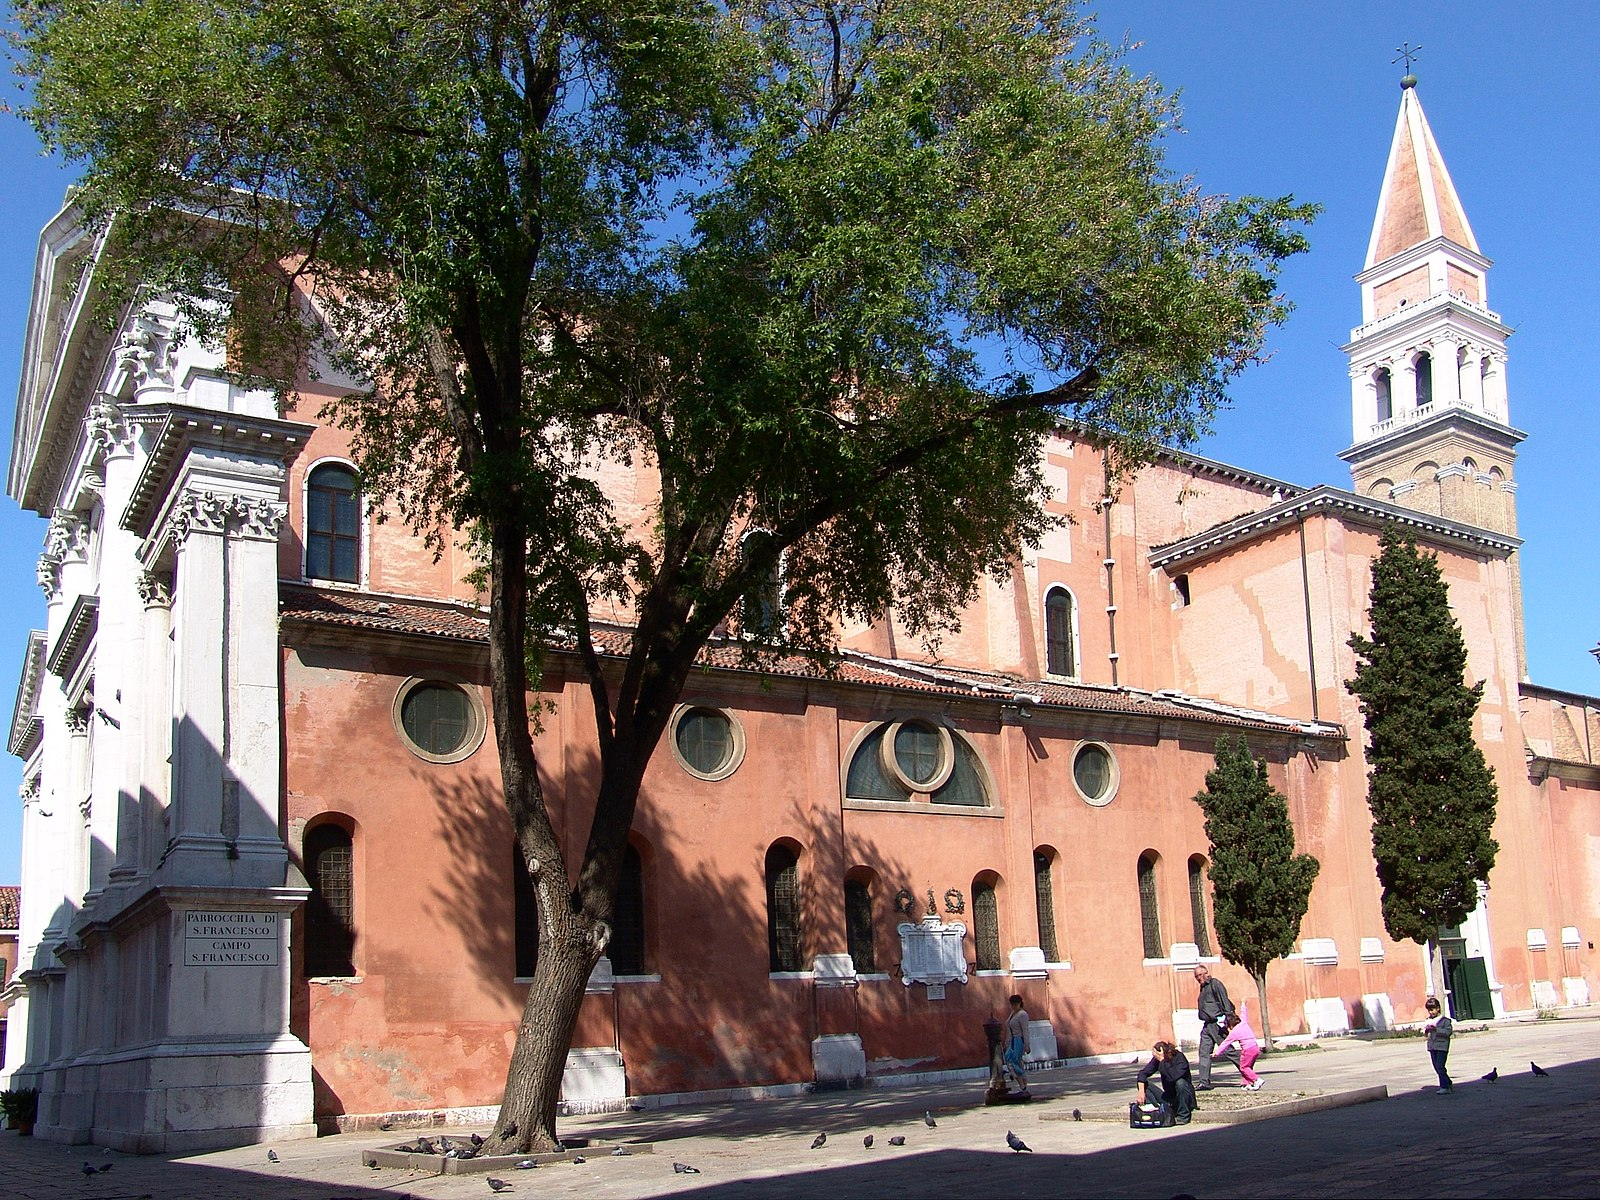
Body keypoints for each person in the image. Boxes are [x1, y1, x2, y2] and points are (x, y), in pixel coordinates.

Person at [1193, 965, 1240, 1089]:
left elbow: (1225, 1002)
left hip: (1217, 1024)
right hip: (1207, 1025)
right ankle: (1204, 1082)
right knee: (1203, 1052)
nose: (1198, 978)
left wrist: (1228, 1020)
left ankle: (1249, 1074)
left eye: (1200, 975)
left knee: (1228, 1050)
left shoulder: (1215, 984)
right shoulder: (1203, 988)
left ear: (1206, 973)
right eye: (1196, 976)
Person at [1135, 1041, 1196, 1124]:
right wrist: (1141, 1092)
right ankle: (1155, 1110)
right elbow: (1142, 1074)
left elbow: (1174, 1077)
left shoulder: (1179, 1058)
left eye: (1155, 1053)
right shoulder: (1158, 1059)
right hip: (1169, 1097)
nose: (1153, 1055)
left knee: (1180, 1083)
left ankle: (1183, 1116)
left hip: (1184, 1097)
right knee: (1144, 1084)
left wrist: (1163, 1061)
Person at [1213, 1002, 1263, 1090]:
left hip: (1247, 1050)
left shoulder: (1235, 1032)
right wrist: (1243, 1004)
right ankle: (1246, 1084)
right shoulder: (1243, 1022)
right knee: (1248, 1066)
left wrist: (1216, 1053)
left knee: (1243, 1067)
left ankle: (1257, 1080)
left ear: (1230, 1024)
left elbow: (1225, 1043)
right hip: (1255, 1048)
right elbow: (1244, 1013)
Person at [1002, 994, 1031, 1096]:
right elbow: (1009, 1029)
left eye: (1016, 1004)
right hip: (1012, 1041)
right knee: (1013, 1062)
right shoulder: (1013, 1013)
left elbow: (1025, 1030)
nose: (1014, 1006)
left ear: (1020, 1003)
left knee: (1013, 1063)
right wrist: (1007, 1042)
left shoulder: (1023, 1014)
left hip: (1019, 1041)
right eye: (1012, 1004)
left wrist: (1027, 1045)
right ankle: (1022, 1083)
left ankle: (1023, 1084)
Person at [1424, 996, 1453, 1094]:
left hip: (1442, 1047)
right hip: (1432, 1046)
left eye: (1432, 1010)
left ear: (1438, 1008)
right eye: (1429, 1010)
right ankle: (1448, 1082)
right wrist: (1426, 1030)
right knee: (1436, 1067)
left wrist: (1436, 1029)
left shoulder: (1445, 1020)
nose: (1431, 1012)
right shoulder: (1428, 1020)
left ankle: (1444, 1087)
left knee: (1440, 1066)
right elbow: (1423, 1032)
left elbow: (1448, 1032)